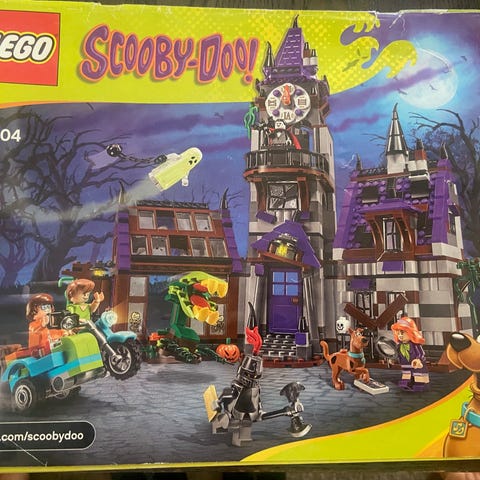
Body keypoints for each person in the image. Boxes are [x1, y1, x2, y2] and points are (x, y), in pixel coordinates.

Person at [391, 314, 430, 391]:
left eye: (402, 333)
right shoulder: (399, 346)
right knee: (406, 374)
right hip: (406, 364)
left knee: (418, 375)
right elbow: (397, 354)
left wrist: (418, 359)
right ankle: (406, 383)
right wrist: (393, 359)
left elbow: (420, 353)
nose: (400, 336)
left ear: (411, 333)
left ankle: (420, 384)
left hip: (416, 364)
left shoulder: (415, 345)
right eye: (398, 333)